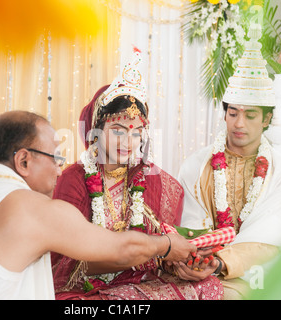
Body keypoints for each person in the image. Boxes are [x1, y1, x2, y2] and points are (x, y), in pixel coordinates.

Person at [0, 110, 196, 300]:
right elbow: (123, 250)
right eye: (56, 158)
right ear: (24, 161)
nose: (59, 170)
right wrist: (166, 246)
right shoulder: (29, 208)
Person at [51, 49, 223, 300]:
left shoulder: (148, 177)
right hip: (84, 287)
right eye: (118, 130)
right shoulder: (74, 179)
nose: (128, 142)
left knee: (209, 287)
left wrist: (175, 263)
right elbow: (71, 263)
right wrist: (157, 253)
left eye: (136, 132)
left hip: (135, 281)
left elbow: (160, 241)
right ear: (96, 130)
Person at [176, 25, 281, 299]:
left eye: (251, 115)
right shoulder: (195, 166)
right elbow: (188, 226)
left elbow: (270, 240)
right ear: (225, 114)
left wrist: (220, 263)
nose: (239, 123)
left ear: (267, 119)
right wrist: (194, 261)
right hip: (192, 270)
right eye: (233, 112)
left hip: (251, 276)